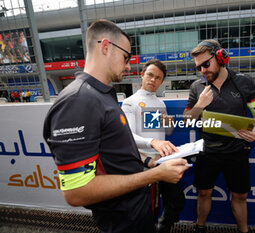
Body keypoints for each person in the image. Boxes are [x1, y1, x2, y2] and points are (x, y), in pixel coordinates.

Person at [43, 19, 189, 233]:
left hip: (135, 210)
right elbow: (77, 192)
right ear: (105, 47)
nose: (129, 65)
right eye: (126, 57)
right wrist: (155, 174)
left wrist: (149, 162)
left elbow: (119, 149)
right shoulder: (78, 101)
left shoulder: (101, 97)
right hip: (122, 219)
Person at [183, 39, 255, 233]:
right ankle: (200, 228)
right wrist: (200, 104)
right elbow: (187, 120)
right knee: (204, 193)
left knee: (240, 196)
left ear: (220, 57)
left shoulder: (243, 82)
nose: (203, 70)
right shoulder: (197, 87)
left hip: (236, 152)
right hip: (208, 151)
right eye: (199, 67)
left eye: (206, 64)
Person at [122, 59, 185, 233]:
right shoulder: (130, 102)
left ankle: (163, 227)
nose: (153, 80)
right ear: (142, 75)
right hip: (144, 162)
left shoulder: (160, 104)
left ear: (161, 81)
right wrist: (152, 144)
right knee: (151, 206)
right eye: (150, 75)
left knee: (177, 200)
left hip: (163, 160)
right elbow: (129, 137)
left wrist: (168, 124)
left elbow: (167, 133)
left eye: (158, 77)